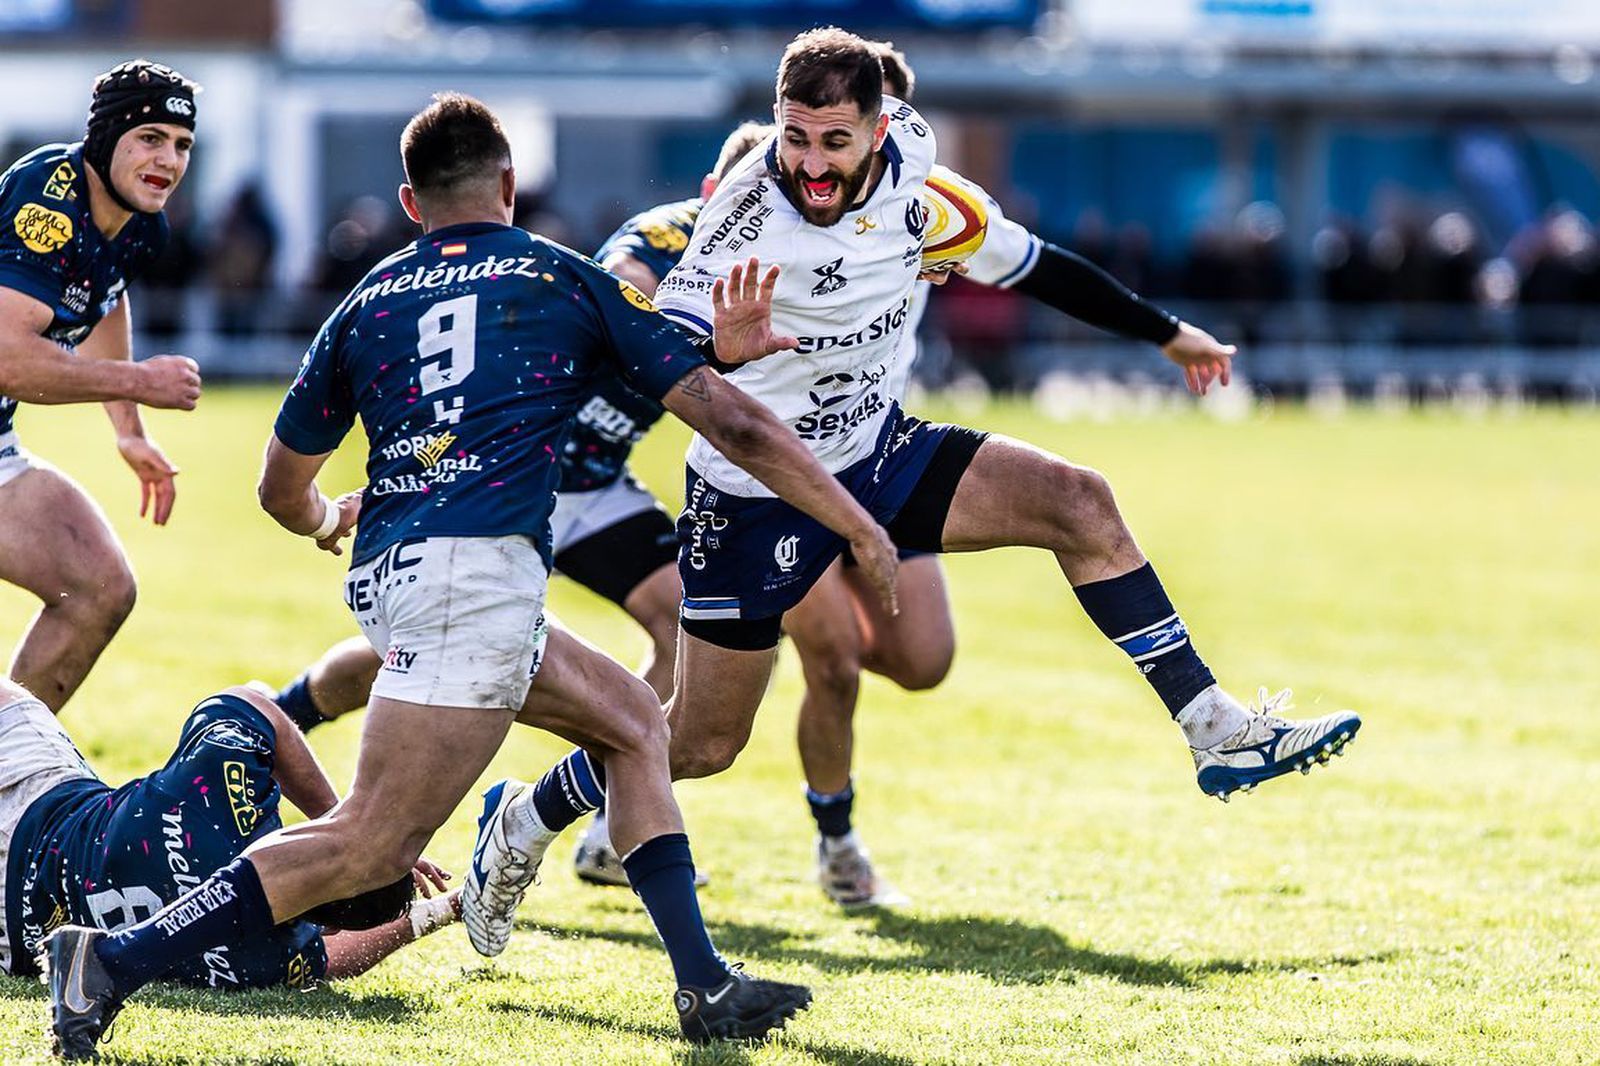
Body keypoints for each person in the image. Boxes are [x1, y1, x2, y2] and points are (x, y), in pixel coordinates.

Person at [41, 92, 900, 1057]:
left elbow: (281, 489)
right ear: (509, 185)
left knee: (630, 726)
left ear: (410, 202)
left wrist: (331, 517)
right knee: (372, 844)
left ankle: (704, 987)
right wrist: (857, 522)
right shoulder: (558, 276)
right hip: (475, 579)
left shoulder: (365, 303)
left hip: (403, 571)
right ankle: (112, 960)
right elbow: (732, 422)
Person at [509, 29, 1361, 888]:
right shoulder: (741, 219)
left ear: (880, 130)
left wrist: (1168, 333)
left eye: (834, 141)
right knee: (700, 742)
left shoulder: (921, 182)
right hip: (756, 495)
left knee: (1079, 502)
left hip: (877, 450)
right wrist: (720, 352)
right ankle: (528, 814)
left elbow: (1035, 266)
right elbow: (658, 359)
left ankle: (1212, 724)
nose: (808, 164)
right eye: (793, 137)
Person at [0, 677, 460, 998]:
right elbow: (334, 960)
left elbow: (248, 704)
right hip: (15, 932)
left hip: (38, 802)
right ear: (331, 923)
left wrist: (343, 819)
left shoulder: (228, 799)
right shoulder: (263, 955)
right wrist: (446, 908)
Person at [0, 59, 205, 713]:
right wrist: (140, 382)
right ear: (106, 137)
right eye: (149, 138)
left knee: (99, 587)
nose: (167, 161)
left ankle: (8, 771)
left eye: (182, 145)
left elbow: (106, 298)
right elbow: (8, 360)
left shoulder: (139, 223)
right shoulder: (48, 202)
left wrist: (129, 430)